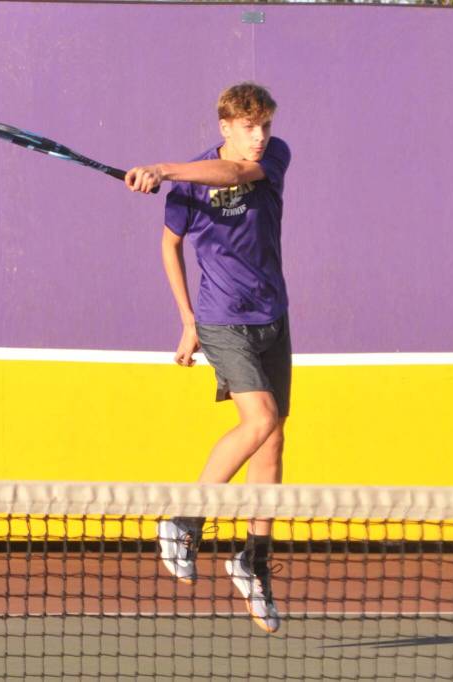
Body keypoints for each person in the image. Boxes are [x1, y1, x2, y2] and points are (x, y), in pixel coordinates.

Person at [124, 82, 291, 634]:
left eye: (264, 125)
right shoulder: (187, 188)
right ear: (225, 127)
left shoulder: (272, 158)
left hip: (273, 315)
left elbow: (237, 173)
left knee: (273, 440)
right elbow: (169, 245)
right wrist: (188, 320)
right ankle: (185, 520)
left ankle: (254, 563)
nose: (260, 136)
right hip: (224, 319)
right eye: (248, 127)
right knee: (259, 419)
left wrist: (163, 168)